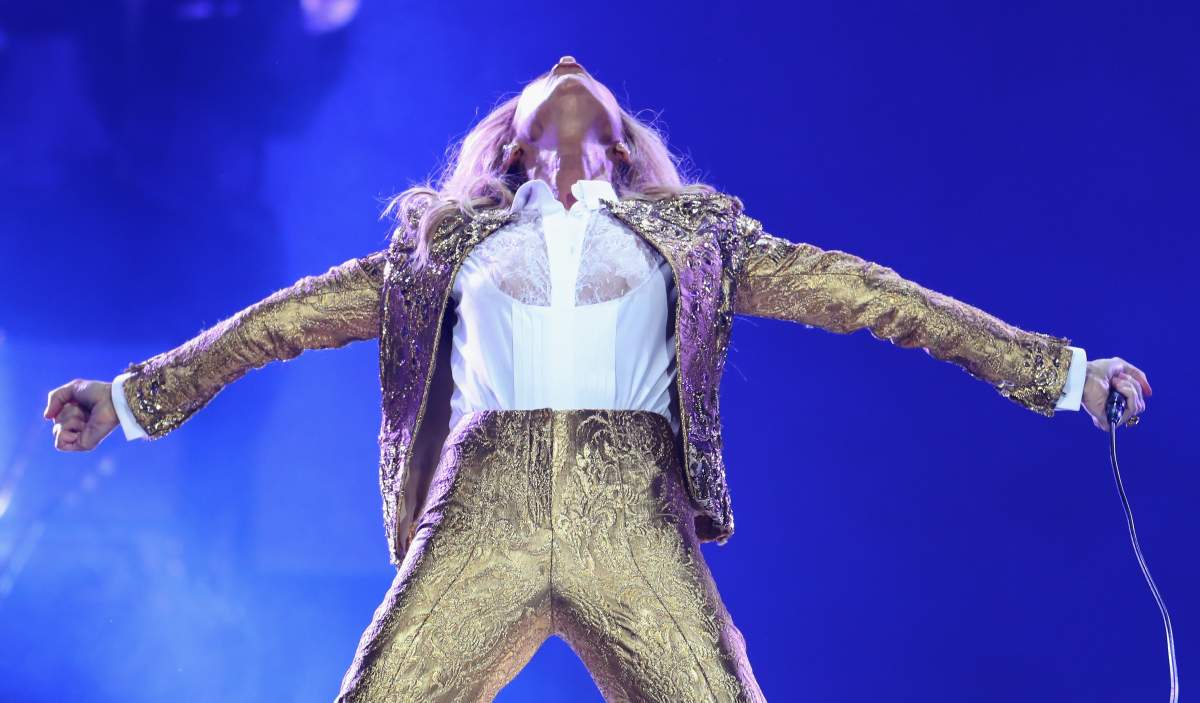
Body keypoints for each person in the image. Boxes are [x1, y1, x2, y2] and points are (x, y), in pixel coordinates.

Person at [43, 55, 1152, 702]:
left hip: (634, 516)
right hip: (482, 512)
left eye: (595, 87)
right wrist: (131, 401)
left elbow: (884, 300)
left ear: (623, 147)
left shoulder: (699, 242)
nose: (570, 65)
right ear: (512, 147)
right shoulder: (439, 252)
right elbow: (272, 325)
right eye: (548, 79)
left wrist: (1064, 374)